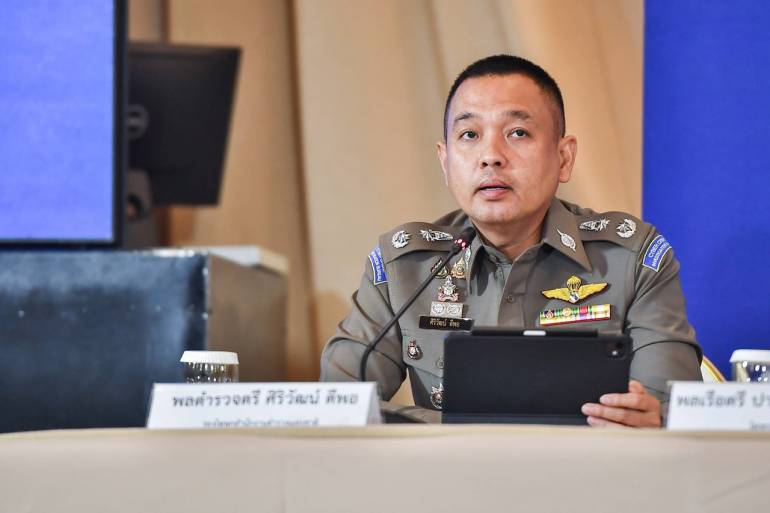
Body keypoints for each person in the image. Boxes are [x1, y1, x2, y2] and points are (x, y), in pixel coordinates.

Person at [320, 54, 702, 427]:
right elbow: (337, 408)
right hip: (449, 471)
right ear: (446, 162)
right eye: (470, 135)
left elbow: (672, 412)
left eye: (518, 133)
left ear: (564, 157)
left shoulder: (632, 260)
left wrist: (651, 419)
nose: (491, 156)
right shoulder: (404, 267)